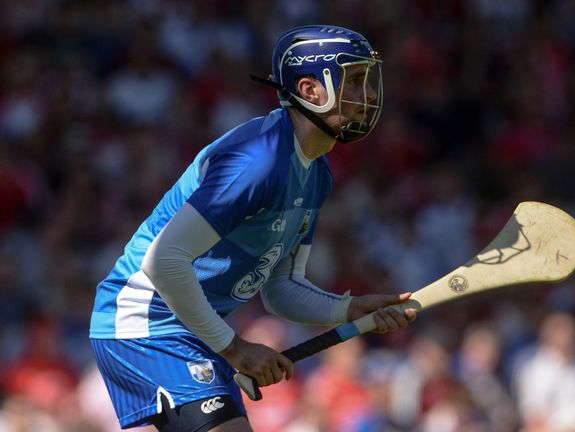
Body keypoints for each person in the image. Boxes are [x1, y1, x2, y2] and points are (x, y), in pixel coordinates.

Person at [89, 24, 417, 432]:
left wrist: (347, 309)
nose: (369, 94)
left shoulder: (316, 172)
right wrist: (236, 349)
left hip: (193, 329)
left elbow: (280, 289)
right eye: (354, 79)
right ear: (312, 89)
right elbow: (164, 260)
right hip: (145, 322)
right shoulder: (257, 161)